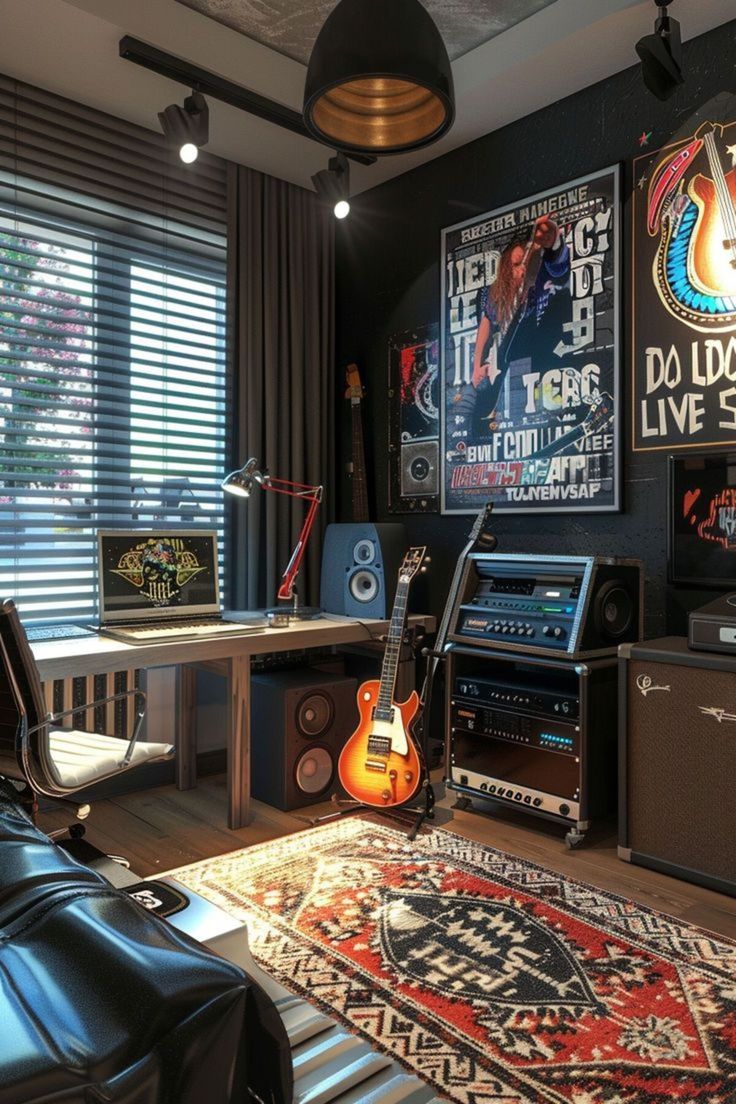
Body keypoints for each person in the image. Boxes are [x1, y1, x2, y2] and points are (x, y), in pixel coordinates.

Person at [455, 216, 570, 435]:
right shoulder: (496, 293)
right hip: (501, 363)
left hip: (535, 360)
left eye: (525, 264)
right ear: (506, 268)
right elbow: (486, 325)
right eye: (516, 265)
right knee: (481, 412)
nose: (521, 270)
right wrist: (477, 365)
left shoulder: (540, 283)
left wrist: (554, 241)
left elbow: (559, 266)